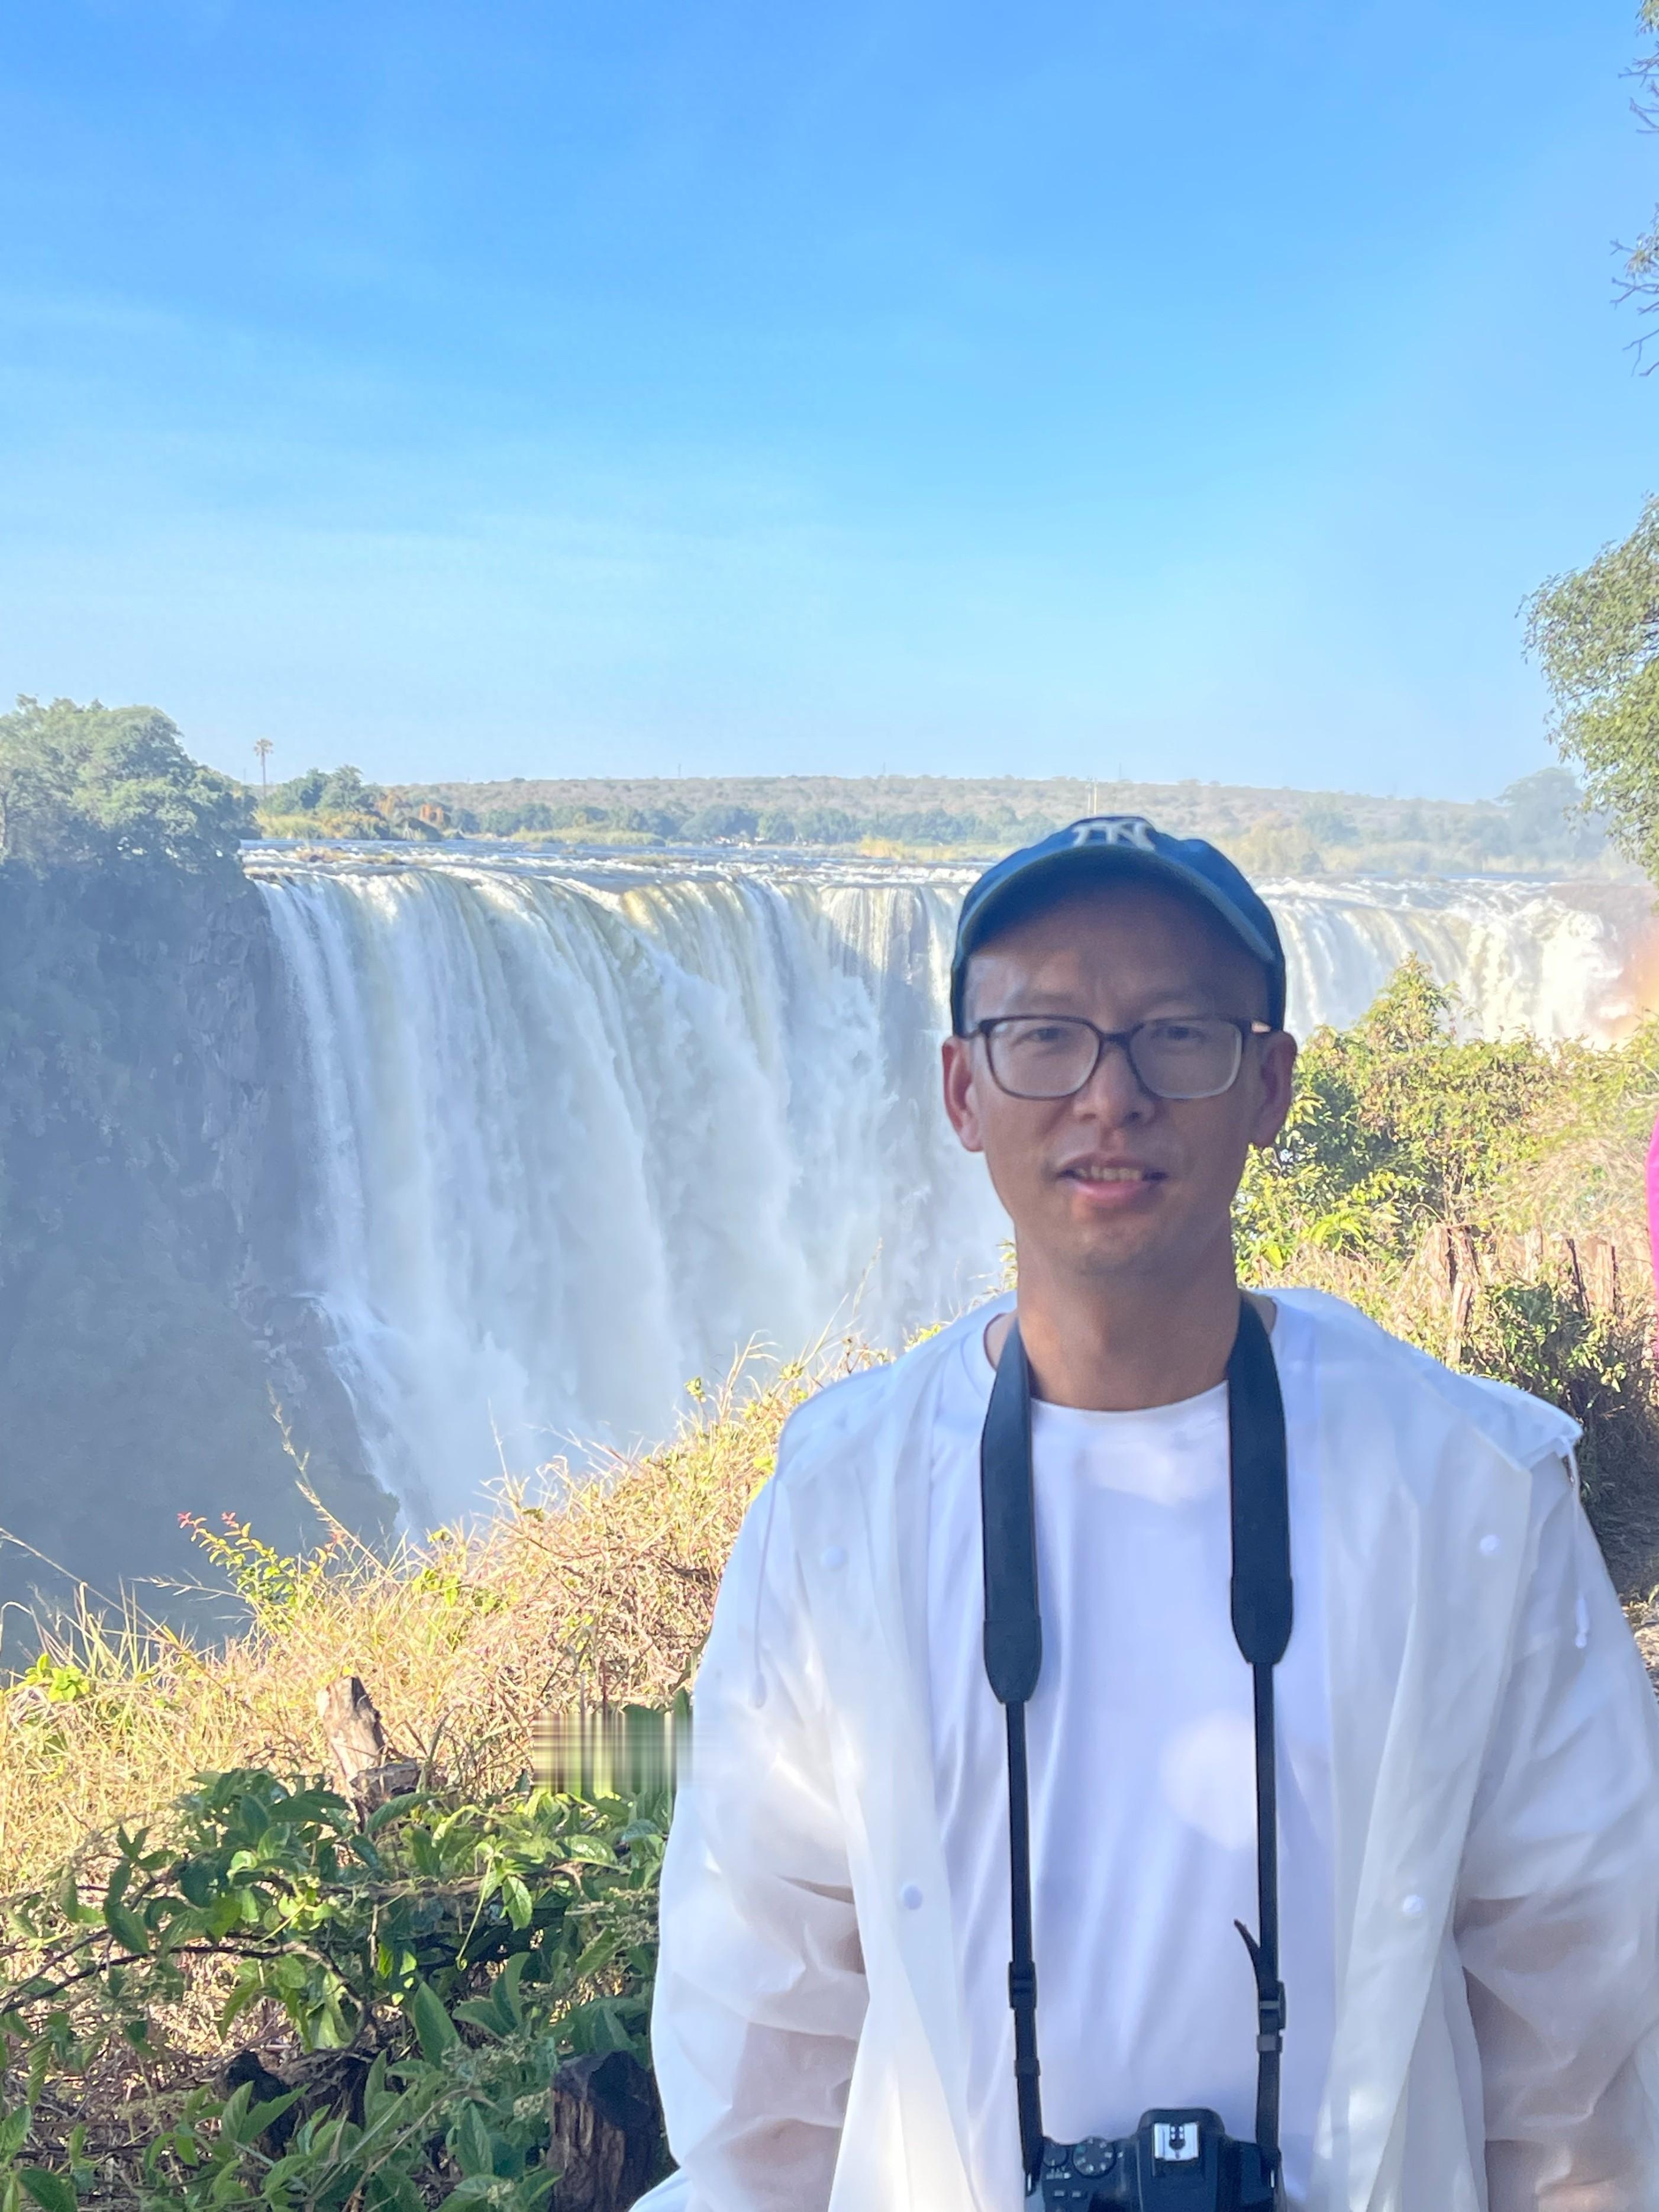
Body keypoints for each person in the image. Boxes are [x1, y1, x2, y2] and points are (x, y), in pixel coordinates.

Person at [641, 817, 1659, 2211]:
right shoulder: (838, 1510)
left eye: (1177, 1035)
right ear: (961, 1089)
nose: (1108, 1096)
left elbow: (1578, 2036)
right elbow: (763, 2041)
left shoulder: (1468, 1491)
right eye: (1043, 1036)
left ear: (1269, 1084)